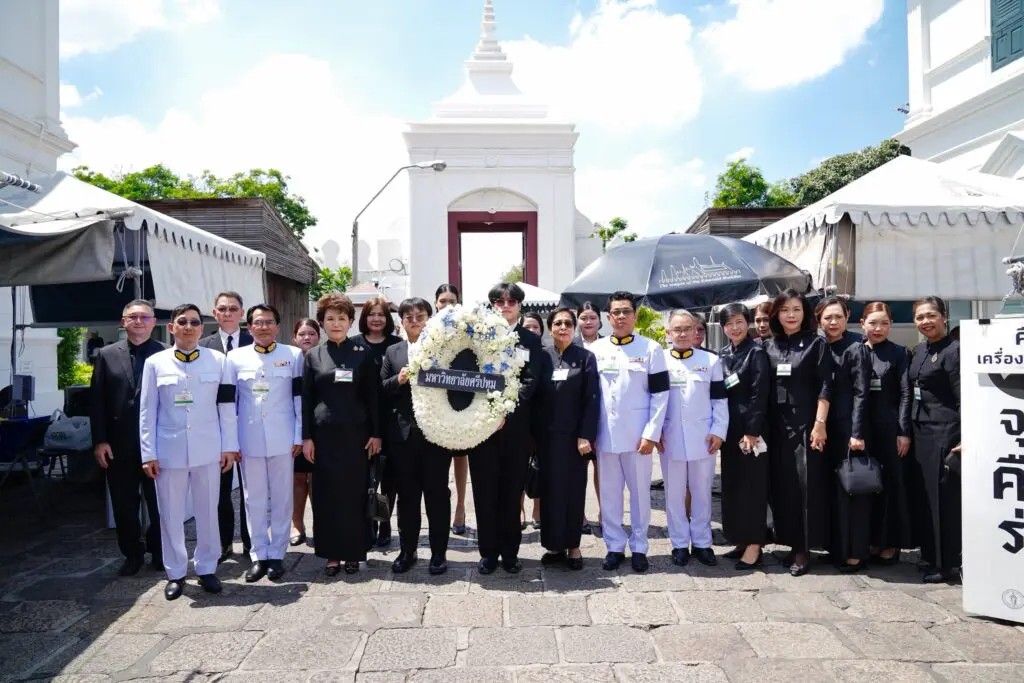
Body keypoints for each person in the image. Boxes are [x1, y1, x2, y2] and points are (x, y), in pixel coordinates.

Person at [139, 303, 232, 600]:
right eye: (183, 321)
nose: (189, 326)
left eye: (195, 322)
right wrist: (148, 452)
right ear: (171, 327)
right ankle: (176, 571)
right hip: (169, 450)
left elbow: (227, 407)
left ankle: (206, 568)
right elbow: (147, 411)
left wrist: (230, 445)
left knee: (208, 511)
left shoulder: (218, 360)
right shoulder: (155, 363)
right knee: (170, 513)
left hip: (208, 448)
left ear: (202, 328)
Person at [220, 304, 303, 582]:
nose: (264, 326)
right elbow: (230, 403)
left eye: (269, 322)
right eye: (258, 322)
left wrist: (298, 435)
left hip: (283, 438)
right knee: (252, 500)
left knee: (281, 499)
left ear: (278, 326)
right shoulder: (235, 357)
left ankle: (277, 554)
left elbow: (298, 399)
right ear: (249, 327)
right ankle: (258, 555)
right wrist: (231, 442)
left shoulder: (293, 355)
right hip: (249, 439)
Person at [302, 293, 382, 575]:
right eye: (330, 318)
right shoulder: (313, 355)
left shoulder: (363, 353)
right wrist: (306, 437)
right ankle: (330, 554)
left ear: (350, 322)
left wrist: (376, 433)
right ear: (322, 323)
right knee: (326, 496)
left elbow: (374, 397)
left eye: (342, 318)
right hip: (323, 439)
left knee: (354, 495)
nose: (336, 323)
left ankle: (353, 552)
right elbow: (307, 400)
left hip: (357, 438)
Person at [590, 291, 669, 572]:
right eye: (616, 312)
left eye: (626, 311)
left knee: (639, 495)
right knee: (609, 495)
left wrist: (652, 433)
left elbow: (661, 395)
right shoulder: (595, 350)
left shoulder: (651, 349)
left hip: (639, 438)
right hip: (605, 435)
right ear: (608, 317)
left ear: (635, 315)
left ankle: (639, 547)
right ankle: (613, 546)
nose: (621, 316)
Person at [90, 299, 165, 576]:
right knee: (124, 504)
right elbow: (97, 401)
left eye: (145, 317)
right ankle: (132, 555)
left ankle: (159, 552)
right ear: (123, 322)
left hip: (157, 444)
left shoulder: (165, 354)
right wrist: (100, 440)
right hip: (118, 444)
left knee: (159, 503)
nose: (139, 322)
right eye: (132, 317)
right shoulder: (107, 355)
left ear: (153, 322)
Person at [471, 282, 541, 574]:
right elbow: (469, 376)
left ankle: (510, 553)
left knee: (512, 493)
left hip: (515, 429)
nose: (505, 305)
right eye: (499, 301)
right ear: (492, 306)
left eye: (511, 301)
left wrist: (506, 411)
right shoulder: (477, 337)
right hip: (481, 429)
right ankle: (488, 552)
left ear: (519, 305)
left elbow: (531, 380)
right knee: (484, 491)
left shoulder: (530, 340)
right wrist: (486, 413)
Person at [763, 289, 833, 577]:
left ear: (805, 314)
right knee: (782, 487)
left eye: (796, 309)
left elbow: (825, 386)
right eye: (785, 310)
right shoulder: (768, 345)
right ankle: (786, 540)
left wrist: (820, 424)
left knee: (805, 488)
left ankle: (803, 549)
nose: (791, 315)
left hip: (806, 425)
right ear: (776, 315)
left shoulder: (816, 344)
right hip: (775, 426)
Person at [381, 298, 452, 575]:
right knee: (408, 496)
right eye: (408, 317)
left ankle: (438, 553)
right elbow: (382, 388)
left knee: (437, 495)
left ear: (429, 319)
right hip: (403, 436)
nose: (414, 321)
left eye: (419, 316)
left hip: (436, 435)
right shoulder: (393, 351)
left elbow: (455, 384)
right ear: (401, 321)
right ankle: (407, 550)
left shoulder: (444, 347)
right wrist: (397, 380)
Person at [659, 310, 728, 567]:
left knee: (702, 492)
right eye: (677, 329)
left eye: (688, 328)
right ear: (668, 333)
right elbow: (652, 401)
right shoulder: (660, 361)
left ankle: (702, 542)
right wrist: (655, 433)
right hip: (670, 437)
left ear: (696, 331)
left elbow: (719, 400)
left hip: (704, 438)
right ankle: (678, 543)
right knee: (674, 494)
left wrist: (719, 431)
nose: (683, 333)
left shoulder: (710, 361)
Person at [539, 307, 600, 570]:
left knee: (573, 491)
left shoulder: (586, 358)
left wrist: (585, 434)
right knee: (551, 492)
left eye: (567, 323)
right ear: (550, 328)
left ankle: (573, 546)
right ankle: (554, 546)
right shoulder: (542, 358)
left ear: (574, 328)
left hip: (575, 439)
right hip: (546, 438)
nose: (562, 327)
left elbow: (592, 399)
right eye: (557, 323)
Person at [906, 296, 961, 583]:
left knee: (944, 500)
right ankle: (929, 555)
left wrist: (964, 437)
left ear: (944, 317)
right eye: (920, 317)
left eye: (931, 315)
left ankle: (946, 563)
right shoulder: (920, 351)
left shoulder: (955, 351)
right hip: (921, 433)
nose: (926, 321)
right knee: (926, 497)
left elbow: (963, 396)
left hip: (946, 432)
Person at [817, 297, 872, 573]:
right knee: (832, 492)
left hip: (848, 430)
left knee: (852, 492)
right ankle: (836, 547)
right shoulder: (819, 346)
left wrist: (858, 432)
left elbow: (862, 393)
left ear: (847, 316)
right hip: (824, 430)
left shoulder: (855, 347)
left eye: (838, 316)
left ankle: (855, 552)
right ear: (819, 320)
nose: (833, 322)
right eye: (828, 318)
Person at [198, 291, 253, 562]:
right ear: (214, 312)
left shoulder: (255, 342)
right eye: (222, 309)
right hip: (215, 429)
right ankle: (223, 543)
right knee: (218, 490)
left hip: (250, 426)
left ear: (242, 313)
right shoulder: (204, 345)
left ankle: (250, 541)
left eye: (233, 308)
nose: (228, 313)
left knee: (250, 489)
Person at [717, 303, 771, 570]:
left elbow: (759, 396)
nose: (734, 328)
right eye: (729, 323)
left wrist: (752, 431)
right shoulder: (724, 353)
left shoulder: (756, 353)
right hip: (728, 430)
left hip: (750, 432)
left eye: (739, 322)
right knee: (733, 486)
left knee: (752, 487)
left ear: (747, 323)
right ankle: (740, 538)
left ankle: (754, 544)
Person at [861, 302, 913, 565]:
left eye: (883, 323)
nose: (878, 328)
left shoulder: (899, 353)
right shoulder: (857, 351)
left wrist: (903, 431)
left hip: (891, 429)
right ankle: (871, 539)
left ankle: (892, 543)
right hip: (863, 429)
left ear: (890, 325)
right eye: (873, 323)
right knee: (868, 485)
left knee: (892, 485)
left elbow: (906, 393)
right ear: (863, 324)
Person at [353, 295, 402, 547]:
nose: (376, 318)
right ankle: (367, 524)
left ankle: (384, 522)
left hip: (391, 419)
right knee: (365, 477)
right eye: (371, 314)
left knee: (389, 479)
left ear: (388, 318)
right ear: (364, 318)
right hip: (361, 421)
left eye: (381, 314)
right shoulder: (353, 344)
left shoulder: (397, 345)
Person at [435, 283, 470, 536]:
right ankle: (440, 510)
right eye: (442, 301)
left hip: (461, 398)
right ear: (436, 303)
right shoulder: (427, 329)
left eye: (452, 301)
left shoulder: (467, 329)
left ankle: (460, 507)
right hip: (433, 402)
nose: (447, 305)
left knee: (460, 456)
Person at [290, 318, 321, 545]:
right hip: (293, 428)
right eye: (302, 334)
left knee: (317, 478)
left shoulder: (323, 359)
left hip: (319, 429)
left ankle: (320, 524)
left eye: (311, 333)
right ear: (294, 338)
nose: (307, 337)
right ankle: (297, 524)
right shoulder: (288, 360)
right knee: (297, 478)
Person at [574, 301, 603, 534]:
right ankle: (580, 514)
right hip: (579, 417)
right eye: (584, 317)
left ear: (600, 320)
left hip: (604, 416)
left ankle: (605, 511)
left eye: (592, 317)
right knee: (579, 468)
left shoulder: (610, 345)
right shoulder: (570, 345)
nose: (588, 322)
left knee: (602, 467)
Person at [521, 310, 548, 530]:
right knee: (520, 466)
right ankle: (519, 508)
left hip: (540, 418)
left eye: (535, 327)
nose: (531, 330)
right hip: (519, 416)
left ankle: (538, 509)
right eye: (527, 327)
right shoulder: (514, 349)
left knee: (539, 466)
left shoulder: (547, 353)